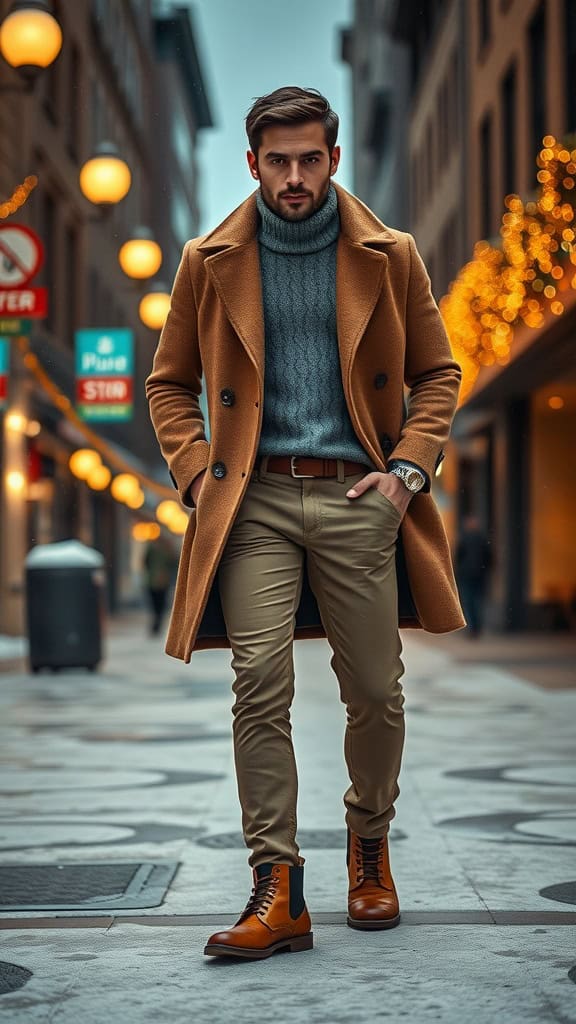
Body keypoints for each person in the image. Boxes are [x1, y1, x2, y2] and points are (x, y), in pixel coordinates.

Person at [146, 86, 465, 960]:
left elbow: (439, 374)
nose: (294, 177)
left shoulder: (388, 255)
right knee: (259, 685)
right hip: (252, 505)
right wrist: (196, 478)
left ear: (333, 157)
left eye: (309, 159)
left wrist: (406, 471)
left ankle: (369, 844)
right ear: (252, 164)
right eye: (277, 162)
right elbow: (167, 385)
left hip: (360, 497)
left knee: (374, 688)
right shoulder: (206, 260)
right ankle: (277, 887)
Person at [455, 515, 492, 637]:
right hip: (479, 575)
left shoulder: (464, 539)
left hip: (467, 575)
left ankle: (473, 628)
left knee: (469, 602)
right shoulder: (482, 539)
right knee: (477, 601)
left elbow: (458, 557)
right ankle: (477, 627)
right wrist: (486, 570)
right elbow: (489, 558)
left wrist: (458, 571)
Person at [142, 535, 178, 636]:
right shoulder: (156, 549)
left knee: (159, 605)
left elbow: (146, 562)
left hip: (160, 582)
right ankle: (156, 624)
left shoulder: (166, 550)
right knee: (157, 605)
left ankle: (156, 624)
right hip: (156, 581)